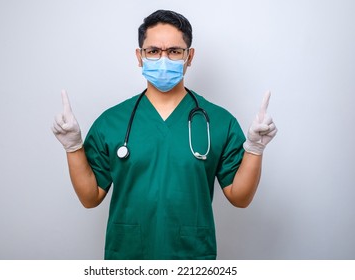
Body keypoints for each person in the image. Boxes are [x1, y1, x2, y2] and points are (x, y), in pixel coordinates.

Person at [52, 9, 277, 260]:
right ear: (140, 56)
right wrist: (72, 147)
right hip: (128, 256)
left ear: (189, 57)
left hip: (190, 259)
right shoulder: (112, 122)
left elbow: (240, 197)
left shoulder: (218, 122)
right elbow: (90, 197)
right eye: (153, 51)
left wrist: (256, 149)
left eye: (174, 51)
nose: (163, 59)